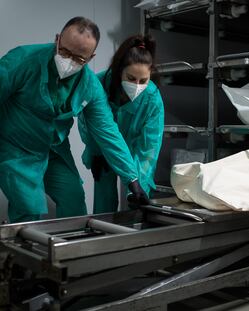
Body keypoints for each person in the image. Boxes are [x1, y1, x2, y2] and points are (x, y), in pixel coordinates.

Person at [0, 17, 146, 223]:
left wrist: (132, 179)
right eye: (65, 52)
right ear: (57, 39)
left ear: (91, 57)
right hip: (16, 146)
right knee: (28, 207)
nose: (69, 62)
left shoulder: (90, 86)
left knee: (74, 199)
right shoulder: (23, 60)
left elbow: (108, 132)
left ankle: (68, 251)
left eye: (79, 59)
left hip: (53, 149)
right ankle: (21, 255)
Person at [80, 34, 164, 214]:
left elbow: (149, 148)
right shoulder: (99, 83)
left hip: (134, 147)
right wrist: (95, 151)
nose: (137, 85)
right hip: (102, 146)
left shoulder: (152, 97)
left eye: (143, 81)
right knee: (104, 200)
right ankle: (102, 234)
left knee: (137, 195)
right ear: (119, 71)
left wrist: (138, 184)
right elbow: (88, 123)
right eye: (131, 78)